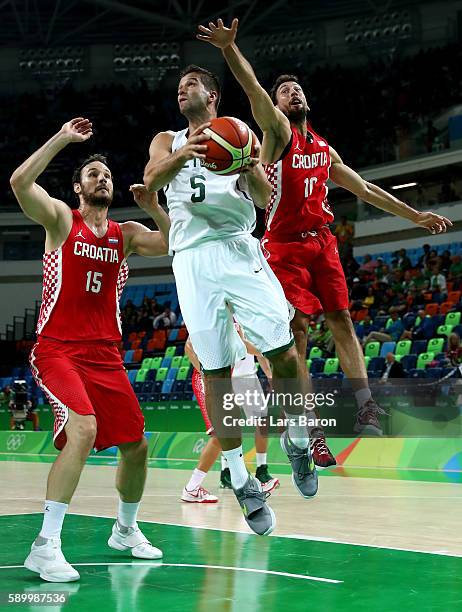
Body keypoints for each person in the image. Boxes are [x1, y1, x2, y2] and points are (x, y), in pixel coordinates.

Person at [197, 18, 452, 444]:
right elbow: (254, 90)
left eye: (297, 90)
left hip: (322, 243)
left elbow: (367, 189)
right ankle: (309, 419)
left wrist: (416, 216)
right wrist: (229, 49)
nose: (292, 93)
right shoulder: (276, 135)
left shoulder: (323, 149)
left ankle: (366, 401)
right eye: (284, 92)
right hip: (282, 247)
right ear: (276, 107)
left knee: (342, 319)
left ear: (307, 101)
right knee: (295, 330)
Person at [144, 65, 318, 537]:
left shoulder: (240, 133)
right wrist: (188, 153)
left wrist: (245, 163)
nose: (182, 89)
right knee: (217, 373)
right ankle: (241, 481)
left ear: (213, 94)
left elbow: (263, 198)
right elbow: (151, 177)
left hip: (240, 248)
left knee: (283, 353)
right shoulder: (168, 138)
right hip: (192, 260)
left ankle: (298, 438)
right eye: (179, 86)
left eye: (191, 84)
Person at [10, 117, 171, 582]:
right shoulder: (62, 220)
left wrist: (156, 207)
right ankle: (45, 545)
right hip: (58, 350)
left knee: (137, 446)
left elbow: (177, 245)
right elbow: (20, 182)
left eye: (107, 174)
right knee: (82, 429)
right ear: (78, 188)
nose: (103, 178)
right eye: (93, 174)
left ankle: (124, 529)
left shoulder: (126, 234)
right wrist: (62, 138)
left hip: (105, 355)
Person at [181, 331, 279, 503]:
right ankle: (193, 487)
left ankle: (242, 481)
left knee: (228, 433)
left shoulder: (233, 317)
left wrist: (265, 351)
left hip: (222, 379)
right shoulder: (210, 314)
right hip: (208, 380)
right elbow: (188, 346)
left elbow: (243, 345)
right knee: (222, 434)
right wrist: (205, 372)